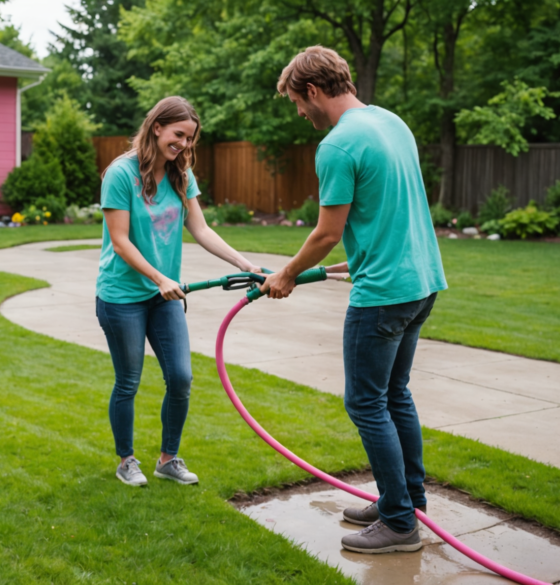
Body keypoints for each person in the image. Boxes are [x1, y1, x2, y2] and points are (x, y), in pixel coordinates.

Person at [263, 46, 447, 553]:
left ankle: (398, 522)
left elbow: (327, 232)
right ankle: (407, 501)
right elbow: (392, 208)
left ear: (314, 91)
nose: (300, 114)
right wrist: (359, 259)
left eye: (298, 103)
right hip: (422, 281)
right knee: (395, 395)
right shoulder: (391, 122)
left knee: (366, 402)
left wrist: (287, 274)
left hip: (383, 296)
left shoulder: (338, 145)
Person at [97, 96, 261, 487]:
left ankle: (168, 459)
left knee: (181, 377)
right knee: (128, 381)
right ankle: (126, 460)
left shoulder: (180, 175)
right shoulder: (120, 175)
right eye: (178, 135)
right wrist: (160, 278)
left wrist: (244, 264)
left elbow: (200, 229)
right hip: (122, 296)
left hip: (164, 296)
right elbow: (120, 241)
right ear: (157, 128)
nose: (184, 145)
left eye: (189, 139)